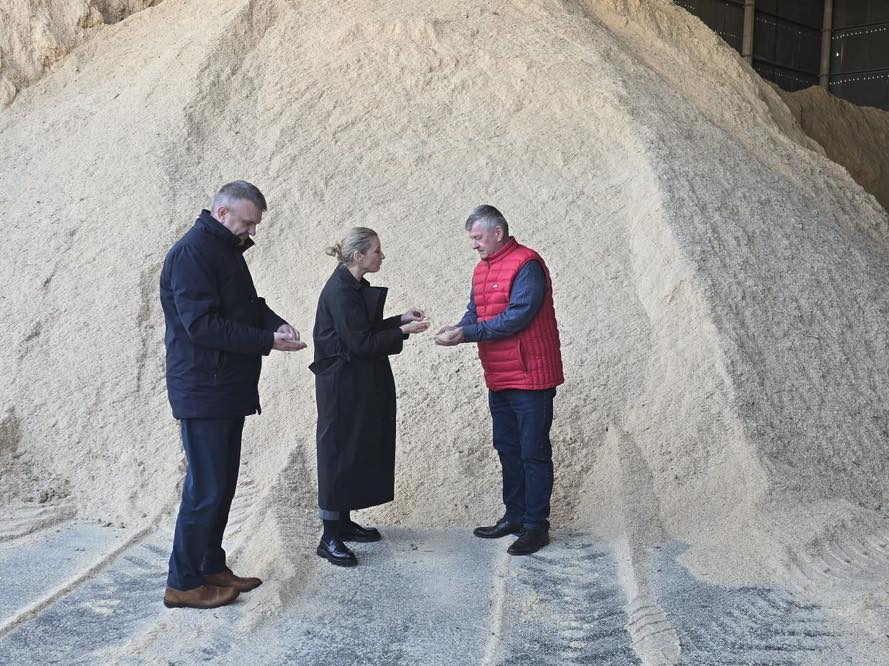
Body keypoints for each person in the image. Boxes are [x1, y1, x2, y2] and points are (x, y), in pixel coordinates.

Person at [159, 181, 307, 609]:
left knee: (220, 486)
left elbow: (245, 305)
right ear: (222, 213)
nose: (252, 231)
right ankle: (183, 583)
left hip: (223, 387)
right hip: (202, 389)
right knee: (205, 488)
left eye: (255, 224)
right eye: (248, 222)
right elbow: (201, 325)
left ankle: (210, 566)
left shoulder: (223, 250)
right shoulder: (192, 253)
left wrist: (274, 323)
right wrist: (266, 341)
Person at [434, 205, 563, 556]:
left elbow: (518, 317)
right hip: (499, 375)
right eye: (472, 239)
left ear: (498, 232)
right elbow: (476, 312)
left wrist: (466, 334)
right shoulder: (482, 269)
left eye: (478, 237)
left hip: (531, 376)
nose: (474, 244)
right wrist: (457, 328)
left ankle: (536, 527)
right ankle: (515, 516)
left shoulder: (527, 264)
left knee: (533, 452)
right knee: (507, 448)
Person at [310, 227, 429, 566]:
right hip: (341, 386)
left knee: (352, 450)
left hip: (354, 383)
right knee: (337, 454)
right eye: (377, 251)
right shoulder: (340, 291)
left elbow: (364, 330)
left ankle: (343, 524)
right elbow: (361, 344)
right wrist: (402, 331)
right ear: (358, 256)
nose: (382, 256)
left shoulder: (352, 285)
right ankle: (329, 536)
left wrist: (400, 320)